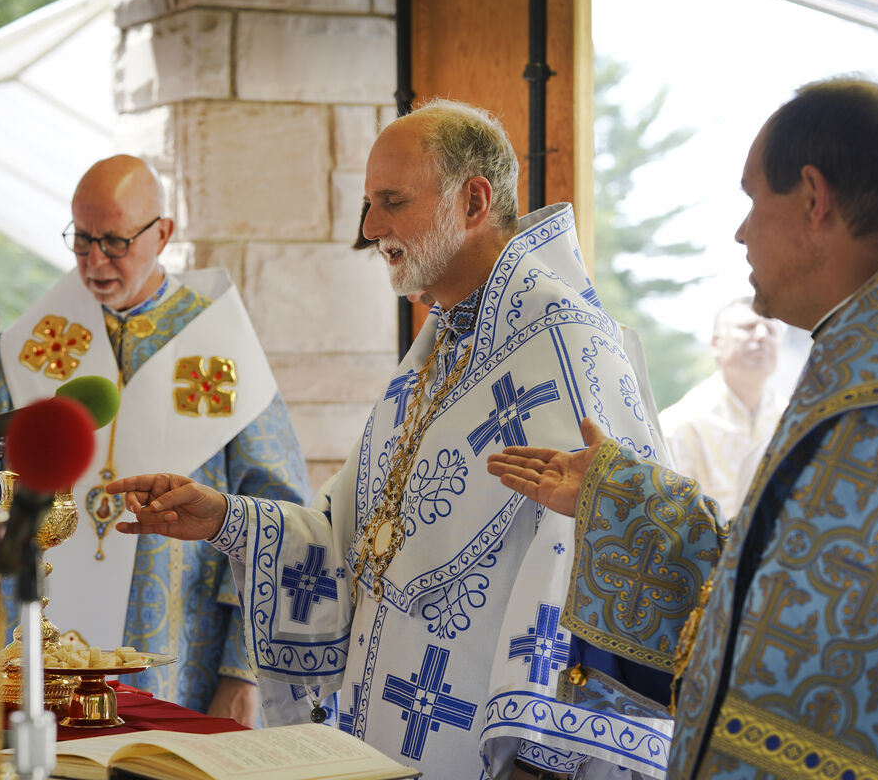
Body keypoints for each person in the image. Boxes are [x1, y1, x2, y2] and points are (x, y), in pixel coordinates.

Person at [106, 101, 673, 778]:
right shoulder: (440, 347)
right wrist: (226, 519)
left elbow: (594, 570)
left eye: (392, 202)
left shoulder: (571, 350)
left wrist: (538, 757)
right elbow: (349, 536)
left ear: (472, 200)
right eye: (369, 204)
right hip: (388, 741)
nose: (372, 228)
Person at [488, 79, 878, 778]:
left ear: (812, 198)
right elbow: (795, 604)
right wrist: (629, 504)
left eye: (750, 198)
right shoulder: (869, 353)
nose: (740, 231)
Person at [0, 154, 310, 726]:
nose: (94, 261)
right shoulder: (31, 342)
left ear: (163, 233)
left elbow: (274, 522)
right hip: (35, 648)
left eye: (115, 242)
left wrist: (243, 673)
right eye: (81, 239)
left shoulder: (219, 345)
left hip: (179, 654)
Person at [658, 297, 787, 521]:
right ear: (715, 344)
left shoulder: (791, 417)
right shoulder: (680, 425)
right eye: (747, 328)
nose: (761, 335)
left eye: (770, 330)